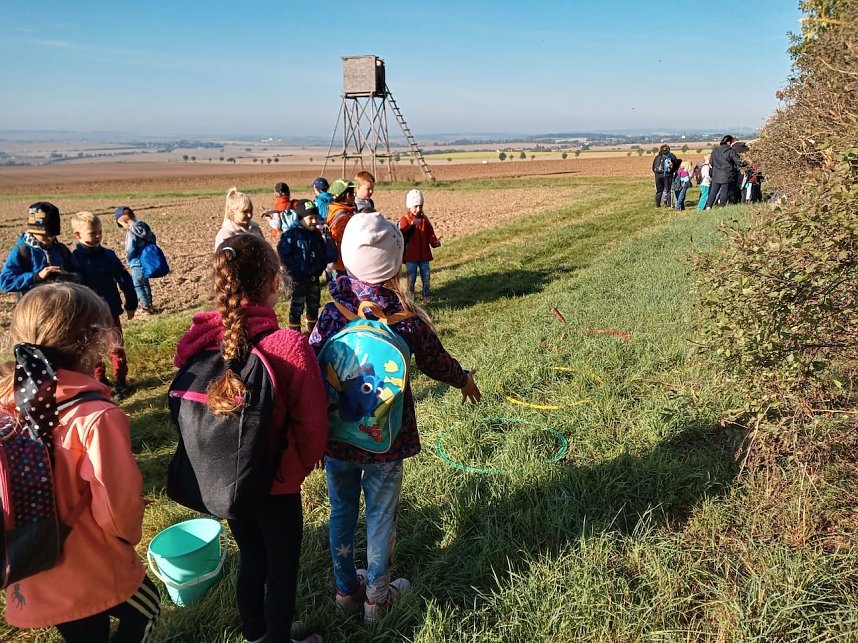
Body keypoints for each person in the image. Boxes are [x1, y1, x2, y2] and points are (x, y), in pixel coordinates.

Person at [309, 212, 481, 625]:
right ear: (397, 260)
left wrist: (311, 432)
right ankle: (377, 599)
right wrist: (463, 380)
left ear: (346, 257)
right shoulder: (406, 318)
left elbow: (313, 367)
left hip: (337, 437)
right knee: (380, 516)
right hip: (387, 439)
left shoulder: (332, 313)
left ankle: (344, 591)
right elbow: (437, 362)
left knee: (341, 511)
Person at [173, 234, 327, 643]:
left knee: (251, 557)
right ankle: (278, 638)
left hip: (228, 481)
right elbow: (313, 430)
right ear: (275, 282)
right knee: (282, 567)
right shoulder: (289, 345)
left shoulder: (199, 341)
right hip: (277, 484)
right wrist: (298, 469)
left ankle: (255, 632)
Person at [2, 282, 159, 643]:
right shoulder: (95, 416)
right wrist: (129, 533)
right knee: (147, 608)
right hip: (90, 564)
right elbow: (117, 511)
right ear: (96, 341)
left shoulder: (9, 402)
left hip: (33, 562)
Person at [70, 212, 137, 400]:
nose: (98, 236)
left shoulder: (108, 255)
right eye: (93, 233)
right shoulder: (74, 260)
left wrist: (131, 302)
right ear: (78, 235)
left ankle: (121, 381)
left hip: (110, 311)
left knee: (116, 347)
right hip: (87, 315)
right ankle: (100, 382)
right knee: (93, 350)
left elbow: (124, 278)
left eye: (100, 231)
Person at [277, 199, 336, 334]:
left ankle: (313, 332)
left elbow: (325, 254)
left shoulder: (316, 235)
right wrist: (294, 271)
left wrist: (327, 241)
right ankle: (295, 333)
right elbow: (284, 255)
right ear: (300, 218)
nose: (315, 222)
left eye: (316, 218)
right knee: (296, 307)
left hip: (314, 278)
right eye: (311, 218)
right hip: (298, 279)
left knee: (314, 306)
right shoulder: (291, 236)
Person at [0, 202, 79, 295]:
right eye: (45, 235)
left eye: (53, 234)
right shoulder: (22, 252)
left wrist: (69, 277)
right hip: (33, 306)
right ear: (33, 231)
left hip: (60, 304)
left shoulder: (61, 250)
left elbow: (77, 272)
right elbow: (5, 282)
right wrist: (36, 277)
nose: (50, 238)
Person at [399, 189, 441, 304]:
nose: (418, 209)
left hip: (424, 254)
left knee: (426, 276)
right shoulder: (405, 220)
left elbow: (430, 233)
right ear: (409, 206)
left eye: (420, 206)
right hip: (411, 256)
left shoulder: (424, 220)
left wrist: (434, 242)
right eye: (415, 206)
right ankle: (410, 297)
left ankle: (426, 295)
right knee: (411, 278)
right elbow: (402, 233)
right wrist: (411, 226)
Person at [114, 205, 158, 315]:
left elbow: (130, 249)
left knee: (138, 285)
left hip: (137, 262)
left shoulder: (131, 231)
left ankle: (145, 307)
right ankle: (149, 305)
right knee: (145, 284)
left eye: (122, 225)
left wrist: (128, 258)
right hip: (147, 261)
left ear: (123, 221)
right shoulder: (144, 227)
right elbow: (153, 239)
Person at [326, 179, 357, 279]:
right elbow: (345, 241)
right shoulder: (343, 217)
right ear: (347, 195)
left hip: (337, 263)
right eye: (353, 193)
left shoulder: (334, 210)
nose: (354, 196)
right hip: (343, 264)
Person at [705, 135, 742, 209]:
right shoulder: (731, 151)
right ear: (729, 142)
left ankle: (708, 206)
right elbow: (738, 162)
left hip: (716, 174)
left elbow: (711, 162)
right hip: (727, 174)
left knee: (713, 191)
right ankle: (722, 206)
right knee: (724, 191)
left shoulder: (715, 150)